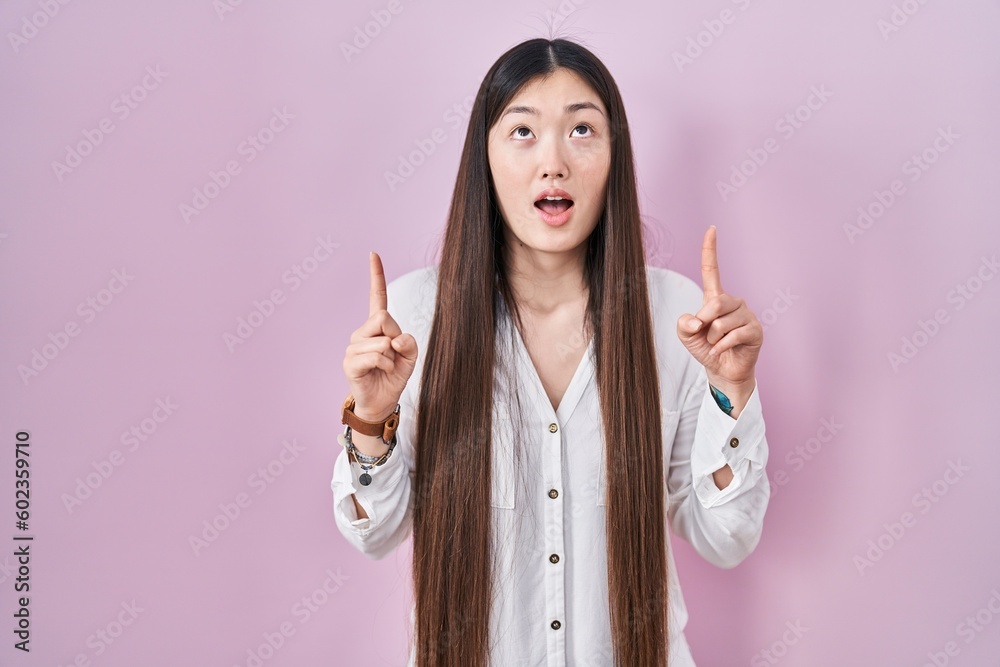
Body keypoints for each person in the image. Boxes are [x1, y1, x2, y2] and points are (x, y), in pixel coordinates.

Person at [332, 37, 770, 667]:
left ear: (615, 156)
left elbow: (727, 539)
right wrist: (371, 420)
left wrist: (732, 392)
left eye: (583, 129)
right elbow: (372, 535)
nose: (554, 162)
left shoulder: (678, 322)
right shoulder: (415, 319)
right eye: (523, 132)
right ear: (483, 156)